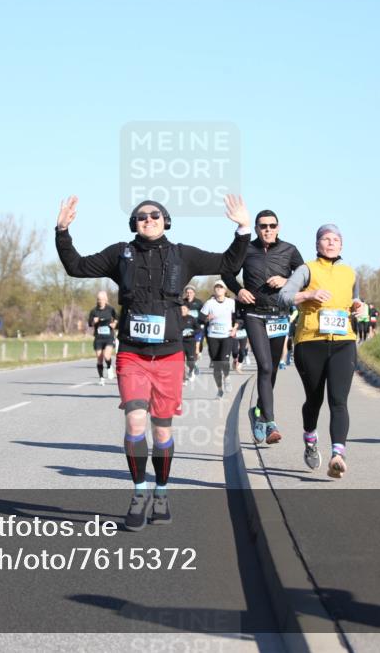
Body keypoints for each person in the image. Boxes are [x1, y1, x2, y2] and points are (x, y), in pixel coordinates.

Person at [55, 195, 250, 530]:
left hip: (170, 355)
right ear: (134, 224)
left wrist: (244, 228)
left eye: (155, 215)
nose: (148, 219)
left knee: (161, 432)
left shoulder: (182, 255)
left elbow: (228, 263)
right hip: (132, 353)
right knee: (134, 424)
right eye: (141, 216)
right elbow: (76, 266)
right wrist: (62, 231)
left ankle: (161, 491)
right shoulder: (121, 254)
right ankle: (139, 491)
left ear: (166, 220)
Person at [278, 224, 363, 479]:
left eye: (336, 239)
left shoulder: (350, 273)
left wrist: (359, 306)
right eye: (325, 239)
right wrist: (309, 294)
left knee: (339, 400)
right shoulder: (306, 270)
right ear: (317, 244)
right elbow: (284, 296)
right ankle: (310, 439)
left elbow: (354, 301)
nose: (331, 243)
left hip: (343, 342)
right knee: (314, 400)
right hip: (310, 341)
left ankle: (338, 455)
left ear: (342, 245)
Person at [221, 210, 303, 444]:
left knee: (272, 369)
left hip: (279, 315)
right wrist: (239, 290)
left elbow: (304, 276)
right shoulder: (246, 249)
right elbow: (226, 272)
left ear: (278, 227)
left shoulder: (289, 250)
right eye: (262, 226)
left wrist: (287, 281)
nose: (267, 229)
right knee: (265, 366)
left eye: (272, 225)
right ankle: (270, 423)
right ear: (256, 228)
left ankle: (257, 412)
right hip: (254, 314)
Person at [200, 281, 236, 399]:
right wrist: (207, 318)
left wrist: (235, 328)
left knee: (224, 361)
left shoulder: (231, 302)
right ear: (214, 290)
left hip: (226, 335)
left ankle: (227, 377)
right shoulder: (209, 303)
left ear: (225, 290)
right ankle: (220, 390)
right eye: (216, 287)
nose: (218, 289)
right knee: (216, 365)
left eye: (221, 287)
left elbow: (238, 318)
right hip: (213, 337)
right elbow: (200, 318)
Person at [88, 291, 118, 385]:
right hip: (98, 338)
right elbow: (90, 324)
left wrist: (114, 324)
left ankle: (109, 367)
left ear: (106, 299)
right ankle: (101, 378)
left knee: (107, 356)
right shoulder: (94, 311)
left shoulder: (111, 309)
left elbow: (117, 319)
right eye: (98, 299)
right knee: (99, 358)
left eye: (102, 299)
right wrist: (94, 321)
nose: (100, 301)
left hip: (109, 337)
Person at [182, 286, 204, 377]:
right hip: (186, 327)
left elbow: (204, 313)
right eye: (187, 292)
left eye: (191, 292)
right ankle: (192, 365)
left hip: (197, 327)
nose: (189, 294)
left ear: (194, 293)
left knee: (197, 350)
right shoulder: (182, 302)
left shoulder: (199, 303)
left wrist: (205, 320)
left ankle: (193, 363)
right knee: (189, 353)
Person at [178, 304, 201, 383]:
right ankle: (183, 378)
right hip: (180, 342)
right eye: (181, 309)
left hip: (190, 342)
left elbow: (199, 329)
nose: (182, 311)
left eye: (184, 309)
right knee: (180, 361)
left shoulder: (192, 319)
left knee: (190, 360)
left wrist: (191, 332)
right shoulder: (176, 319)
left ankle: (191, 370)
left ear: (188, 310)